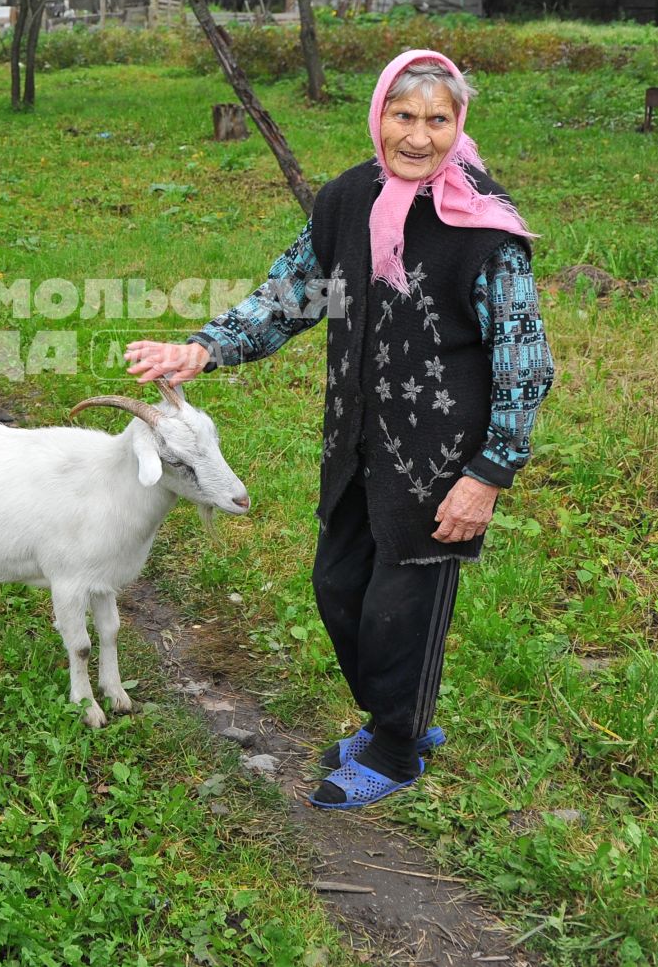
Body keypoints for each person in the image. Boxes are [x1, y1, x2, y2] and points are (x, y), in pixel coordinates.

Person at [124, 50, 554, 809]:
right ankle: (395, 715)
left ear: (459, 126)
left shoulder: (485, 228)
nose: (418, 137)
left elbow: (526, 363)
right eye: (403, 115)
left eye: (438, 119)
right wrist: (203, 347)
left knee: (403, 610)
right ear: (379, 114)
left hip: (440, 463)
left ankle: (397, 745)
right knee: (338, 588)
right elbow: (288, 295)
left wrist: (487, 473)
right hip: (357, 445)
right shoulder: (349, 199)